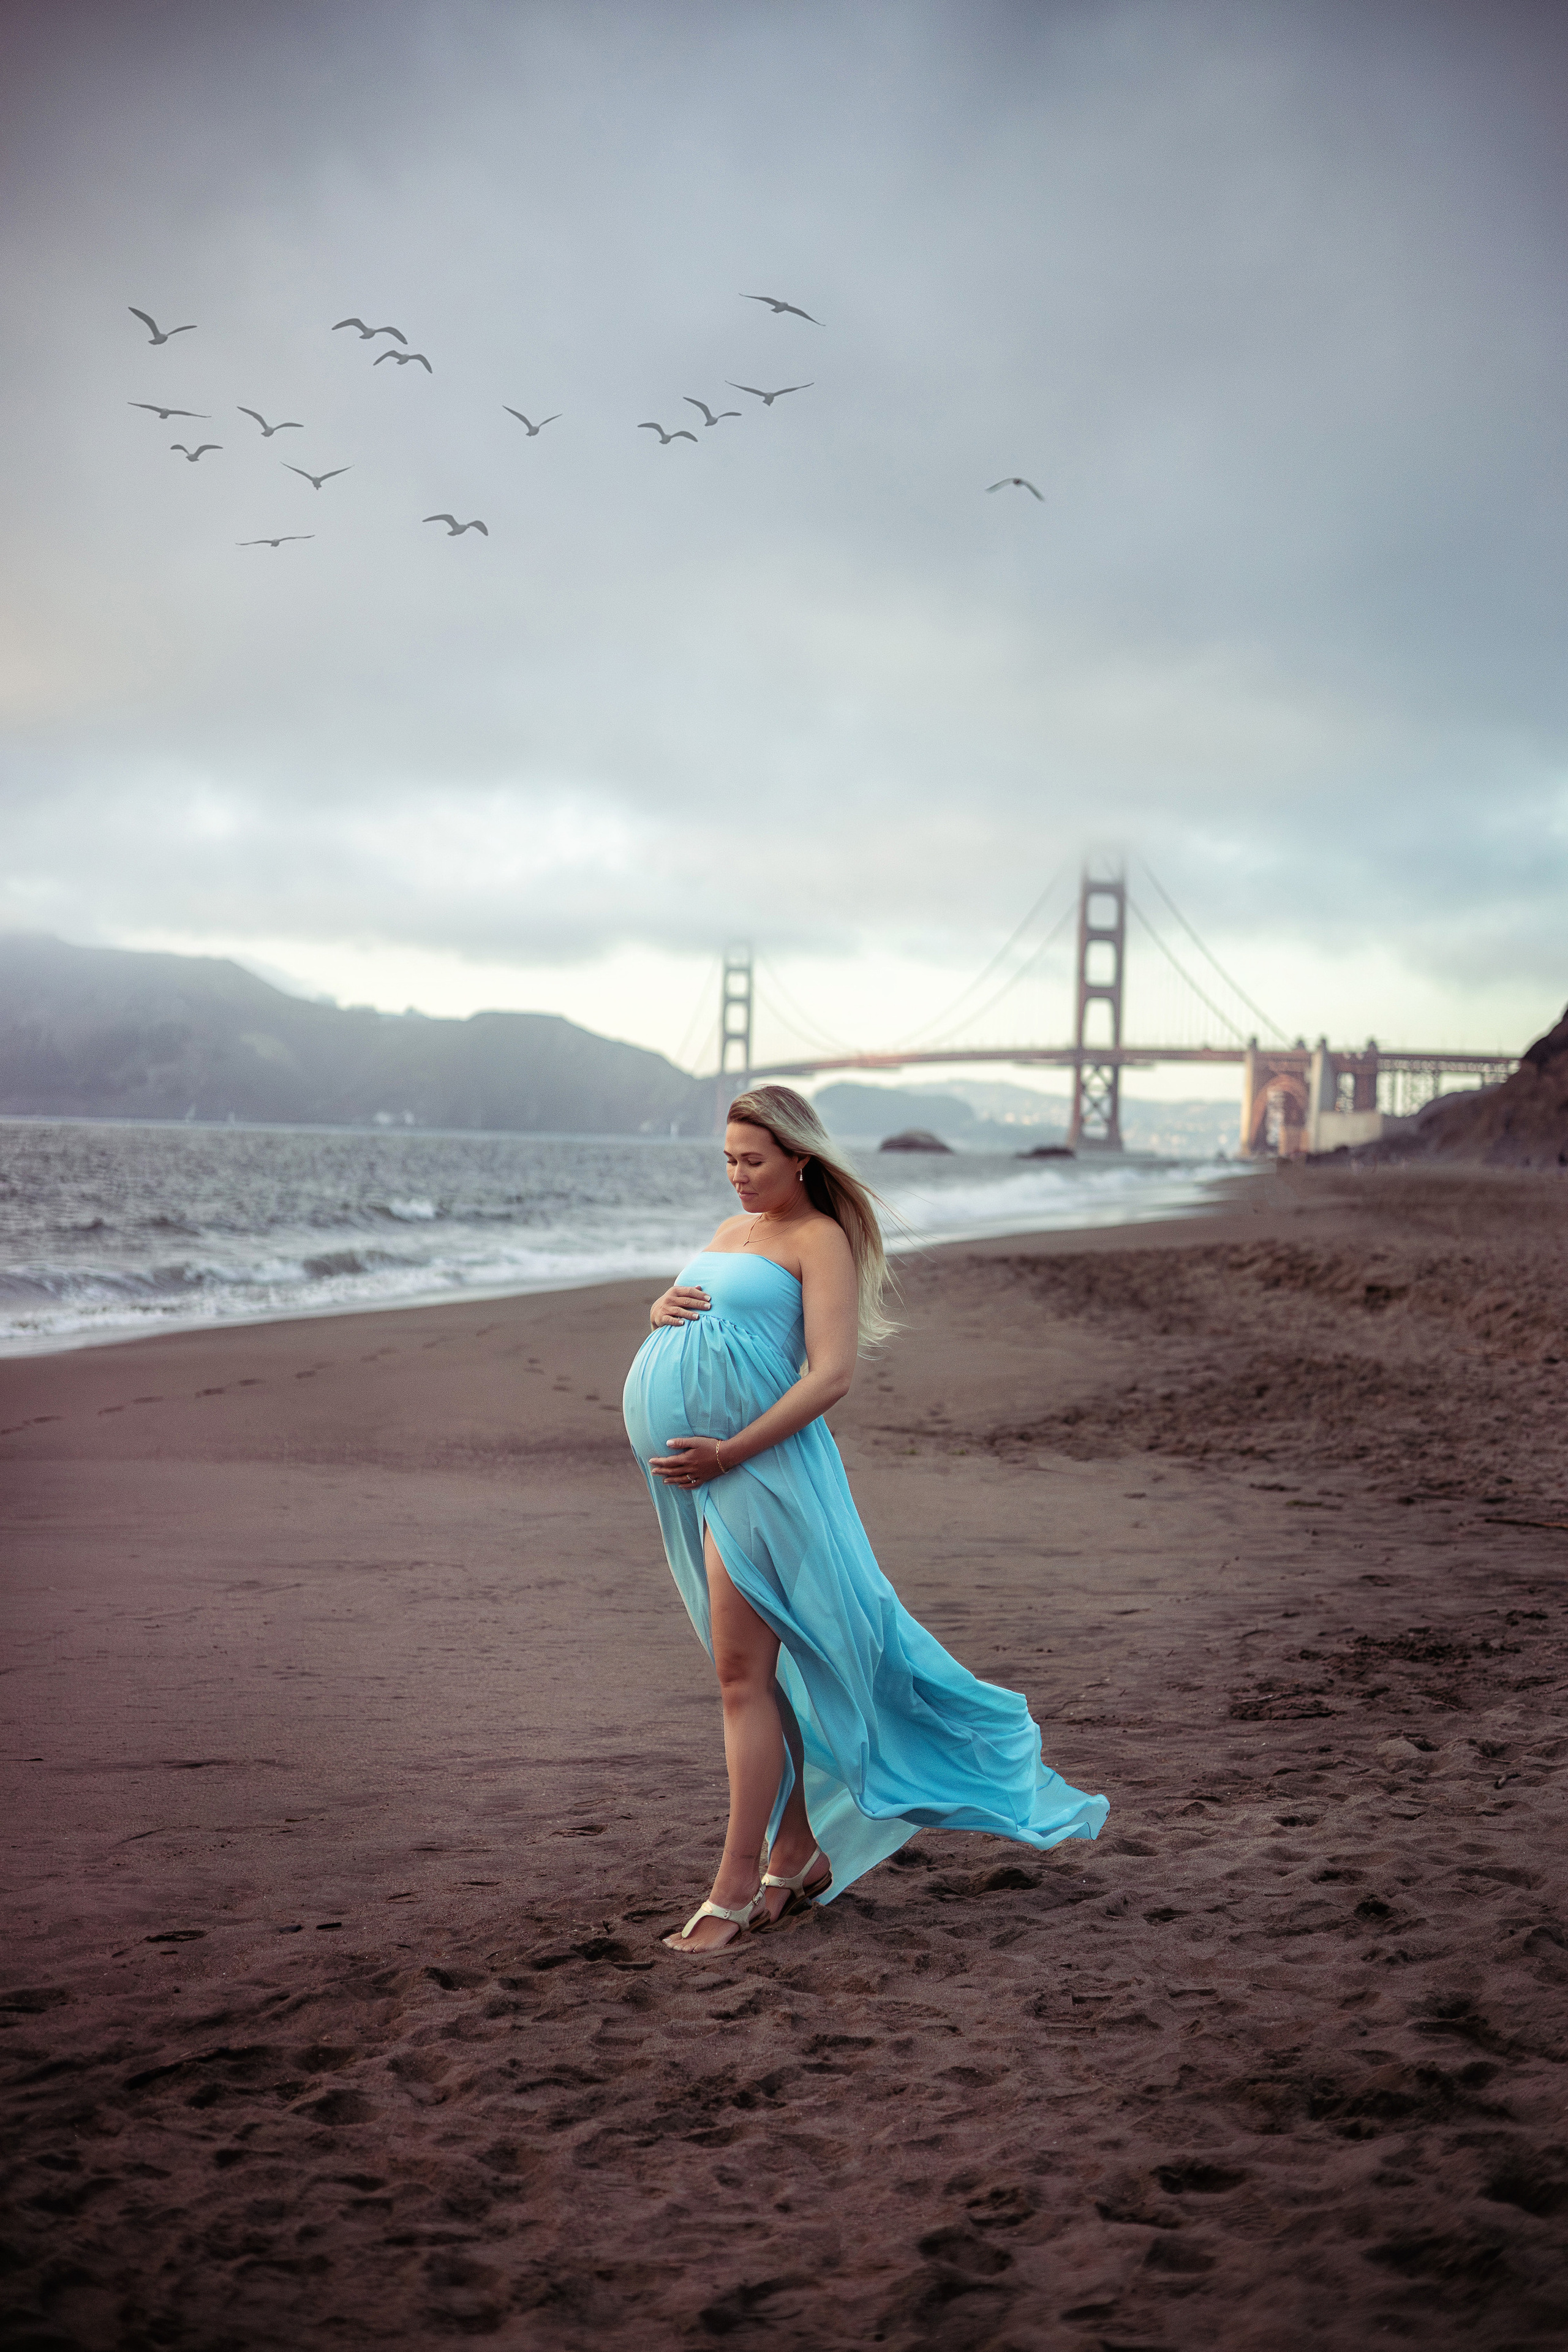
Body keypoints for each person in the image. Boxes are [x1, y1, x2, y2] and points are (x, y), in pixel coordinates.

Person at [622, 1084, 1109, 1956]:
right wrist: (658, 1313)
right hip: (705, 1480)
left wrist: (728, 1454)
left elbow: (829, 1377)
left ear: (801, 1159)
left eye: (754, 1161)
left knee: (745, 1679)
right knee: (762, 1682)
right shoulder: (733, 1230)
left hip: (762, 1477)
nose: (737, 1176)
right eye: (728, 1160)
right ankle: (797, 1853)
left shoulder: (820, 1239)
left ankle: (734, 1888)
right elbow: (704, 1313)